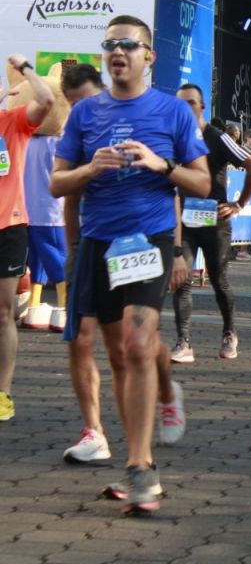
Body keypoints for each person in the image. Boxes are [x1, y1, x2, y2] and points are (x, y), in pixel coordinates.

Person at [51, 14, 211, 515]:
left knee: (140, 343)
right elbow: (57, 185)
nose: (118, 52)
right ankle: (160, 398)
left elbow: (203, 185)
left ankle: (142, 467)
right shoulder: (85, 114)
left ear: (148, 56)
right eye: (110, 45)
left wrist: (160, 165)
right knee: (121, 354)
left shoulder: (172, 112)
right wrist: (88, 169)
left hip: (148, 241)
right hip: (99, 245)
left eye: (128, 44)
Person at [58, 65, 188, 464]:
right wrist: (73, 250)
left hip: (142, 242)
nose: (81, 110)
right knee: (81, 337)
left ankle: (166, 392)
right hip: (90, 241)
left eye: (85, 101)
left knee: (134, 347)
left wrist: (178, 249)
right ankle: (95, 432)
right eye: (74, 104)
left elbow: (177, 190)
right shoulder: (82, 126)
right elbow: (67, 194)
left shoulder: (151, 118)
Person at [171, 84, 251, 362]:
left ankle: (229, 332)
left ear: (202, 107)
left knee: (219, 280)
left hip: (215, 223)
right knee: (182, 280)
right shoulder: (173, 137)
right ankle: (183, 341)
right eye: (179, 104)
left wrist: (239, 204)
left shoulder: (217, 137)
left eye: (190, 103)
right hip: (185, 223)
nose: (184, 109)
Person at [0, 53, 55, 421]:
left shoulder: (12, 122)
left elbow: (47, 100)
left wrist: (26, 70)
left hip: (9, 226)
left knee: (4, 314)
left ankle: (2, 393)